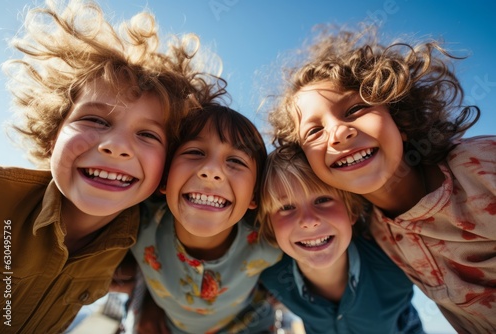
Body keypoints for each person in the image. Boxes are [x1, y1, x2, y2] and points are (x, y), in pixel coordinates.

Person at [0, 0, 218, 332]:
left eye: (147, 134)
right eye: (96, 120)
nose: (116, 146)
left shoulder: (139, 240)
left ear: (166, 170)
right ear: (52, 136)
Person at [266, 24, 496, 333]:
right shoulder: (376, 233)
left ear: (400, 117)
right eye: (314, 130)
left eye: (356, 109)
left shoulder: (480, 167)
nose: (339, 132)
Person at [130, 104, 283, 334]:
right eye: (195, 152)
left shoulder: (271, 241)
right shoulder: (135, 226)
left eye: (236, 161)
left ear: (254, 194)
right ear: (164, 176)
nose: (211, 170)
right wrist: (145, 306)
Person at [257, 145, 424, 334]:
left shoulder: (396, 265)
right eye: (286, 207)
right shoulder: (272, 278)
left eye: (322, 200)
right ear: (270, 227)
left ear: (352, 211)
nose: (309, 221)